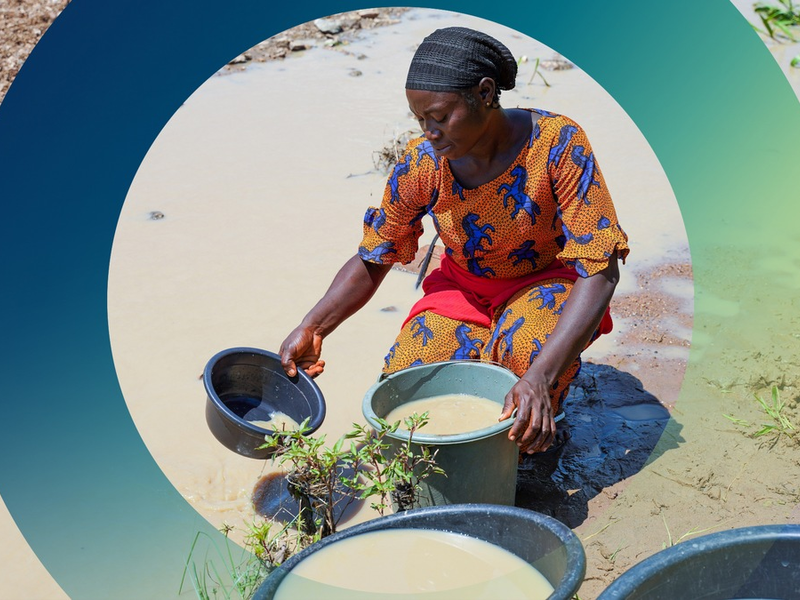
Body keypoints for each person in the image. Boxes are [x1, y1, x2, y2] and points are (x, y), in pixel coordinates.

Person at [280, 26, 629, 455]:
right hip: (464, 288)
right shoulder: (423, 163)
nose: (430, 131)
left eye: (441, 117)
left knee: (524, 359)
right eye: (420, 120)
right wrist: (313, 327)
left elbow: (600, 267)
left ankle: (524, 448)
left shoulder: (557, 145)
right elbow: (376, 255)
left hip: (547, 283)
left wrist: (540, 377)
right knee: (409, 385)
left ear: (485, 93)